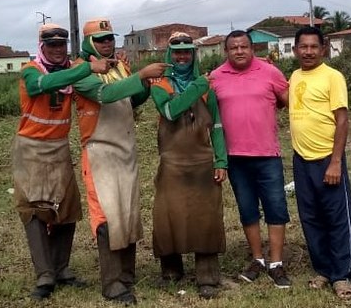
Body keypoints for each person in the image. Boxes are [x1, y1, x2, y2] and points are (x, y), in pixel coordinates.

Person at [11, 23, 113, 300]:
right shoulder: (32, 70)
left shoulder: (73, 69)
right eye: (51, 45)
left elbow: (96, 82)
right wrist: (87, 68)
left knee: (66, 210)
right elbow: (39, 87)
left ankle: (61, 268)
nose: (57, 49)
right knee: (33, 210)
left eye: (61, 45)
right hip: (31, 148)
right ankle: (44, 275)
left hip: (59, 147)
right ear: (42, 46)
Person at [72, 18, 169, 305]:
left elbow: (132, 98)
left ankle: (127, 275)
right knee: (106, 218)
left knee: (127, 214)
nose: (107, 43)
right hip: (100, 151)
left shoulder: (118, 66)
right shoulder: (80, 70)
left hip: (126, 151)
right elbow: (105, 94)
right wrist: (139, 75)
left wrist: (145, 84)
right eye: (100, 39)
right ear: (88, 42)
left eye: (109, 38)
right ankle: (112, 283)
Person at [209, 30, 292, 288]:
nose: (239, 51)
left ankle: (276, 263)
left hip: (267, 154)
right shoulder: (215, 77)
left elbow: (289, 101)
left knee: (276, 207)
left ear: (252, 48)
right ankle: (257, 259)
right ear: (226, 51)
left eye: (244, 46)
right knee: (247, 210)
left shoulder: (270, 72)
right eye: (233, 48)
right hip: (235, 158)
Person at [149, 31, 228, 300]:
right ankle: (171, 272)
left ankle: (207, 276)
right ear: (170, 56)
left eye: (187, 52)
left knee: (206, 220)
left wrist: (221, 160)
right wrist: (197, 87)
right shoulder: (161, 85)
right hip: (172, 164)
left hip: (203, 163)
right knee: (168, 218)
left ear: (193, 55)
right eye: (177, 52)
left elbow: (216, 125)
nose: (182, 57)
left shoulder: (208, 88)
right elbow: (170, 112)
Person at [288, 26, 351, 301]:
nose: (308, 51)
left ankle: (342, 275)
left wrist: (336, 161)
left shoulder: (332, 77)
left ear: (323, 49)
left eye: (313, 47)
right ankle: (324, 269)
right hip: (301, 160)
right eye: (302, 47)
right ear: (294, 50)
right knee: (311, 218)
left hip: (327, 158)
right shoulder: (294, 76)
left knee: (337, 219)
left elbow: (342, 120)